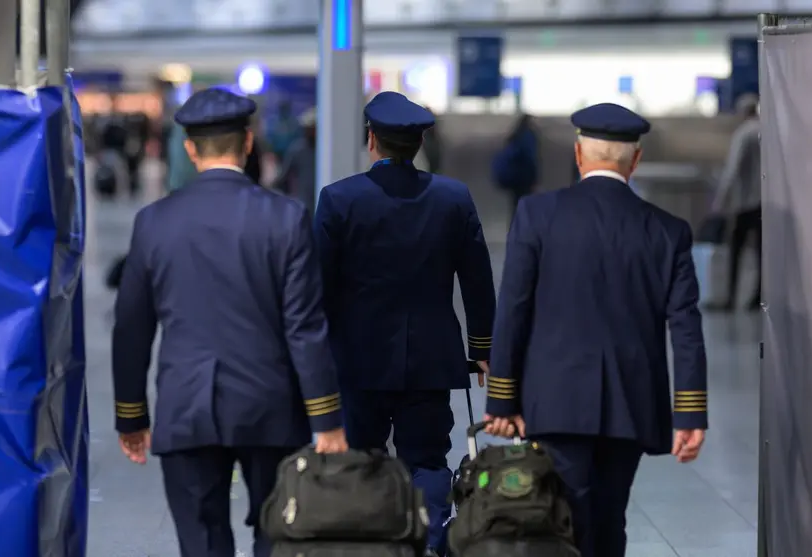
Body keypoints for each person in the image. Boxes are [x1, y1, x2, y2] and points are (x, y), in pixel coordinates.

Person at [111, 87, 348, 557]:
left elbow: (132, 326)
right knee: (279, 535)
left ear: (190, 149)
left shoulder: (154, 221)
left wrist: (131, 415)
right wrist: (326, 419)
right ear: (248, 142)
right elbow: (305, 327)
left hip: (185, 408)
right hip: (269, 408)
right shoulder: (286, 218)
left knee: (201, 542)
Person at [484, 103, 708, 557]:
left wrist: (502, 399)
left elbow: (513, 309)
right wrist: (689, 413)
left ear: (578, 154)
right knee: (610, 516)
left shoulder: (536, 214)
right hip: (632, 402)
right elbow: (686, 327)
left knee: (567, 515)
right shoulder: (667, 231)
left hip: (555, 400)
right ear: (635, 159)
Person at [314, 91, 496, 557]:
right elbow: (477, 279)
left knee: (361, 460)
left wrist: (316, 354)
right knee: (428, 461)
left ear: (371, 139)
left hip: (358, 360)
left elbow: (319, 286)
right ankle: (430, 542)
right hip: (430, 359)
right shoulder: (453, 198)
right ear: (418, 143)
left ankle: (370, 545)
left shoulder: (339, 200)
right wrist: (482, 348)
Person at [708, 94, 761, 311]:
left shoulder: (743, 134)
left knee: (735, 251)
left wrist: (720, 200)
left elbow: (732, 170)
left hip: (745, 202)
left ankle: (730, 298)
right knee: (761, 252)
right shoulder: (766, 131)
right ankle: (757, 297)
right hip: (765, 203)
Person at [491, 113, 539, 220]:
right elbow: (530, 158)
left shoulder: (516, 135)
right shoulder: (529, 136)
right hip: (525, 178)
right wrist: (534, 179)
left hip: (515, 179)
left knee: (516, 205)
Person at [272, 107, 317, 213]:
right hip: (304, 204)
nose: (309, 132)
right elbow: (282, 179)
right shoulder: (297, 149)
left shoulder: (325, 152)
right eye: (308, 128)